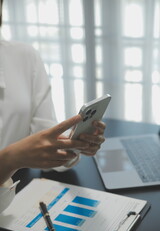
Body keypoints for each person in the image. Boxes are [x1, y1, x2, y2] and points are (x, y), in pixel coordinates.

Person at [0, 0, 106, 213]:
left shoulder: (24, 56)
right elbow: (17, 156)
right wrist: (9, 160)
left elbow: (46, 142)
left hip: (20, 203)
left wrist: (74, 144)